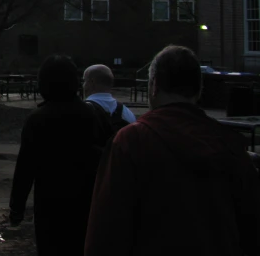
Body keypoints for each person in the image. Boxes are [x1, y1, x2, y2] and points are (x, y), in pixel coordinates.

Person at [85, 45, 260, 256]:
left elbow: (106, 231)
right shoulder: (230, 145)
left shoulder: (131, 142)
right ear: (199, 89)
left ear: (154, 86)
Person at [9, 55, 100, 256]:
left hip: (50, 203)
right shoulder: (90, 115)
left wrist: (17, 208)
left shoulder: (38, 119)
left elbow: (25, 167)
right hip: (85, 202)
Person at [82, 64, 136, 145]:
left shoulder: (80, 111)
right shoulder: (128, 114)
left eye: (84, 81)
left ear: (91, 82)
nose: (83, 85)